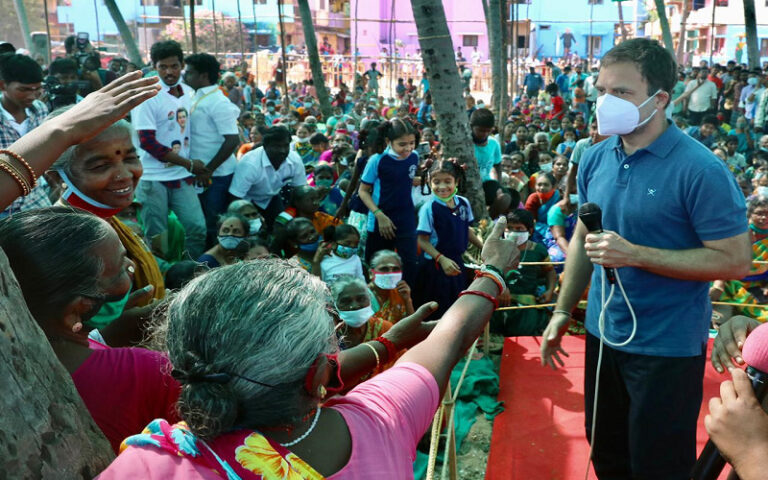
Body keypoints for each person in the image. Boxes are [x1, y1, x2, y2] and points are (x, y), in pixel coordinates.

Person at [97, 218, 518, 479]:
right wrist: (493, 271)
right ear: (319, 375)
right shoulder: (378, 424)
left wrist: (387, 342)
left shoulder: (149, 467)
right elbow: (449, 338)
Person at [540, 38, 751, 479]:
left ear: (660, 99)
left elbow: (734, 261)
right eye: (601, 90)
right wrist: (563, 310)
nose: (605, 102)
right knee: (607, 456)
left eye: (621, 92)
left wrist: (635, 255)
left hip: (666, 348)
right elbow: (582, 237)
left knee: (658, 467)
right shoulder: (594, 157)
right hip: (603, 336)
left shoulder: (701, 171)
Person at [0, 208, 180, 454]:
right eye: (121, 269)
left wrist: (105, 335)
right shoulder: (151, 372)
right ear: (76, 310)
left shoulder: (12, 369)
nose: (132, 265)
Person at [48, 110, 166, 332]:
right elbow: (67, 336)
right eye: (101, 166)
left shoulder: (106, 219)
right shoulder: (64, 242)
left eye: (130, 159)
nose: (125, 175)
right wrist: (115, 329)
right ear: (55, 177)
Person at [132, 41, 207, 259]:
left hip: (181, 176)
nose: (169, 72)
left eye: (174, 66)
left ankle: (192, 272)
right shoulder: (147, 95)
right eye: (163, 67)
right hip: (153, 178)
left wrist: (190, 164)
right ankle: (164, 276)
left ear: (182, 65)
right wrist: (189, 164)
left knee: (197, 229)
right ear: (154, 66)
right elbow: (147, 142)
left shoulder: (188, 92)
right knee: (158, 240)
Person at [183, 53, 241, 247]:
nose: (185, 76)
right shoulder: (195, 96)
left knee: (214, 224)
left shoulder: (218, 102)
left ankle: (214, 259)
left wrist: (209, 169)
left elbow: (232, 140)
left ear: (204, 76)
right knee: (201, 222)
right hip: (201, 173)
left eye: (190, 73)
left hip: (217, 175)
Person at [415, 158, 484, 317]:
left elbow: (466, 230)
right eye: (436, 182)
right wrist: (441, 259)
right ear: (429, 182)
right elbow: (422, 240)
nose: (442, 187)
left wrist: (483, 247)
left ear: (456, 181)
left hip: (456, 263)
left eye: (447, 181)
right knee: (438, 309)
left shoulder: (463, 203)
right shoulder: (429, 208)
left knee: (456, 307)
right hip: (435, 266)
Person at [358, 118, 420, 285]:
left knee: (409, 264)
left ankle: (404, 297)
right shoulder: (377, 160)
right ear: (388, 141)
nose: (408, 148)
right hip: (381, 220)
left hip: (405, 218)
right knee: (377, 263)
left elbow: (405, 180)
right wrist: (379, 215)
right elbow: (363, 191)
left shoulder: (414, 156)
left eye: (412, 143)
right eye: (402, 144)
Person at [491, 209, 556, 336]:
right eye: (509, 228)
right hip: (498, 300)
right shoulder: (496, 248)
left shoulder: (538, 251)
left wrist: (549, 290)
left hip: (525, 304)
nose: (513, 232)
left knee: (524, 331)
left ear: (530, 231)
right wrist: (501, 287)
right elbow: (486, 272)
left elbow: (549, 271)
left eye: (519, 229)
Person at [0, 53, 51, 217]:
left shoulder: (40, 109)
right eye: (24, 90)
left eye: (37, 89)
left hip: (36, 201)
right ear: (3, 85)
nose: (32, 96)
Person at [229, 126, 308, 229]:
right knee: (253, 229)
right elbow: (235, 198)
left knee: (282, 227)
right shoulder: (250, 164)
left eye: (286, 146)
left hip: (272, 197)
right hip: (247, 200)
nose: (283, 151)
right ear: (265, 146)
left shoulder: (294, 159)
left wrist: (289, 213)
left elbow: (300, 190)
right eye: (277, 146)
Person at [368, 249, 415, 324]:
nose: (390, 273)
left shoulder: (400, 292)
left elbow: (413, 325)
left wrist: (407, 300)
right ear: (371, 273)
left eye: (395, 269)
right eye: (384, 269)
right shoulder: (363, 296)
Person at [470, 108, 502, 182]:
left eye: (489, 130)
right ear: (471, 126)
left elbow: (498, 165)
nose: (485, 134)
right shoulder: (466, 145)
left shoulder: (494, 144)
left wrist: (499, 183)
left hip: (486, 182)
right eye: (481, 130)